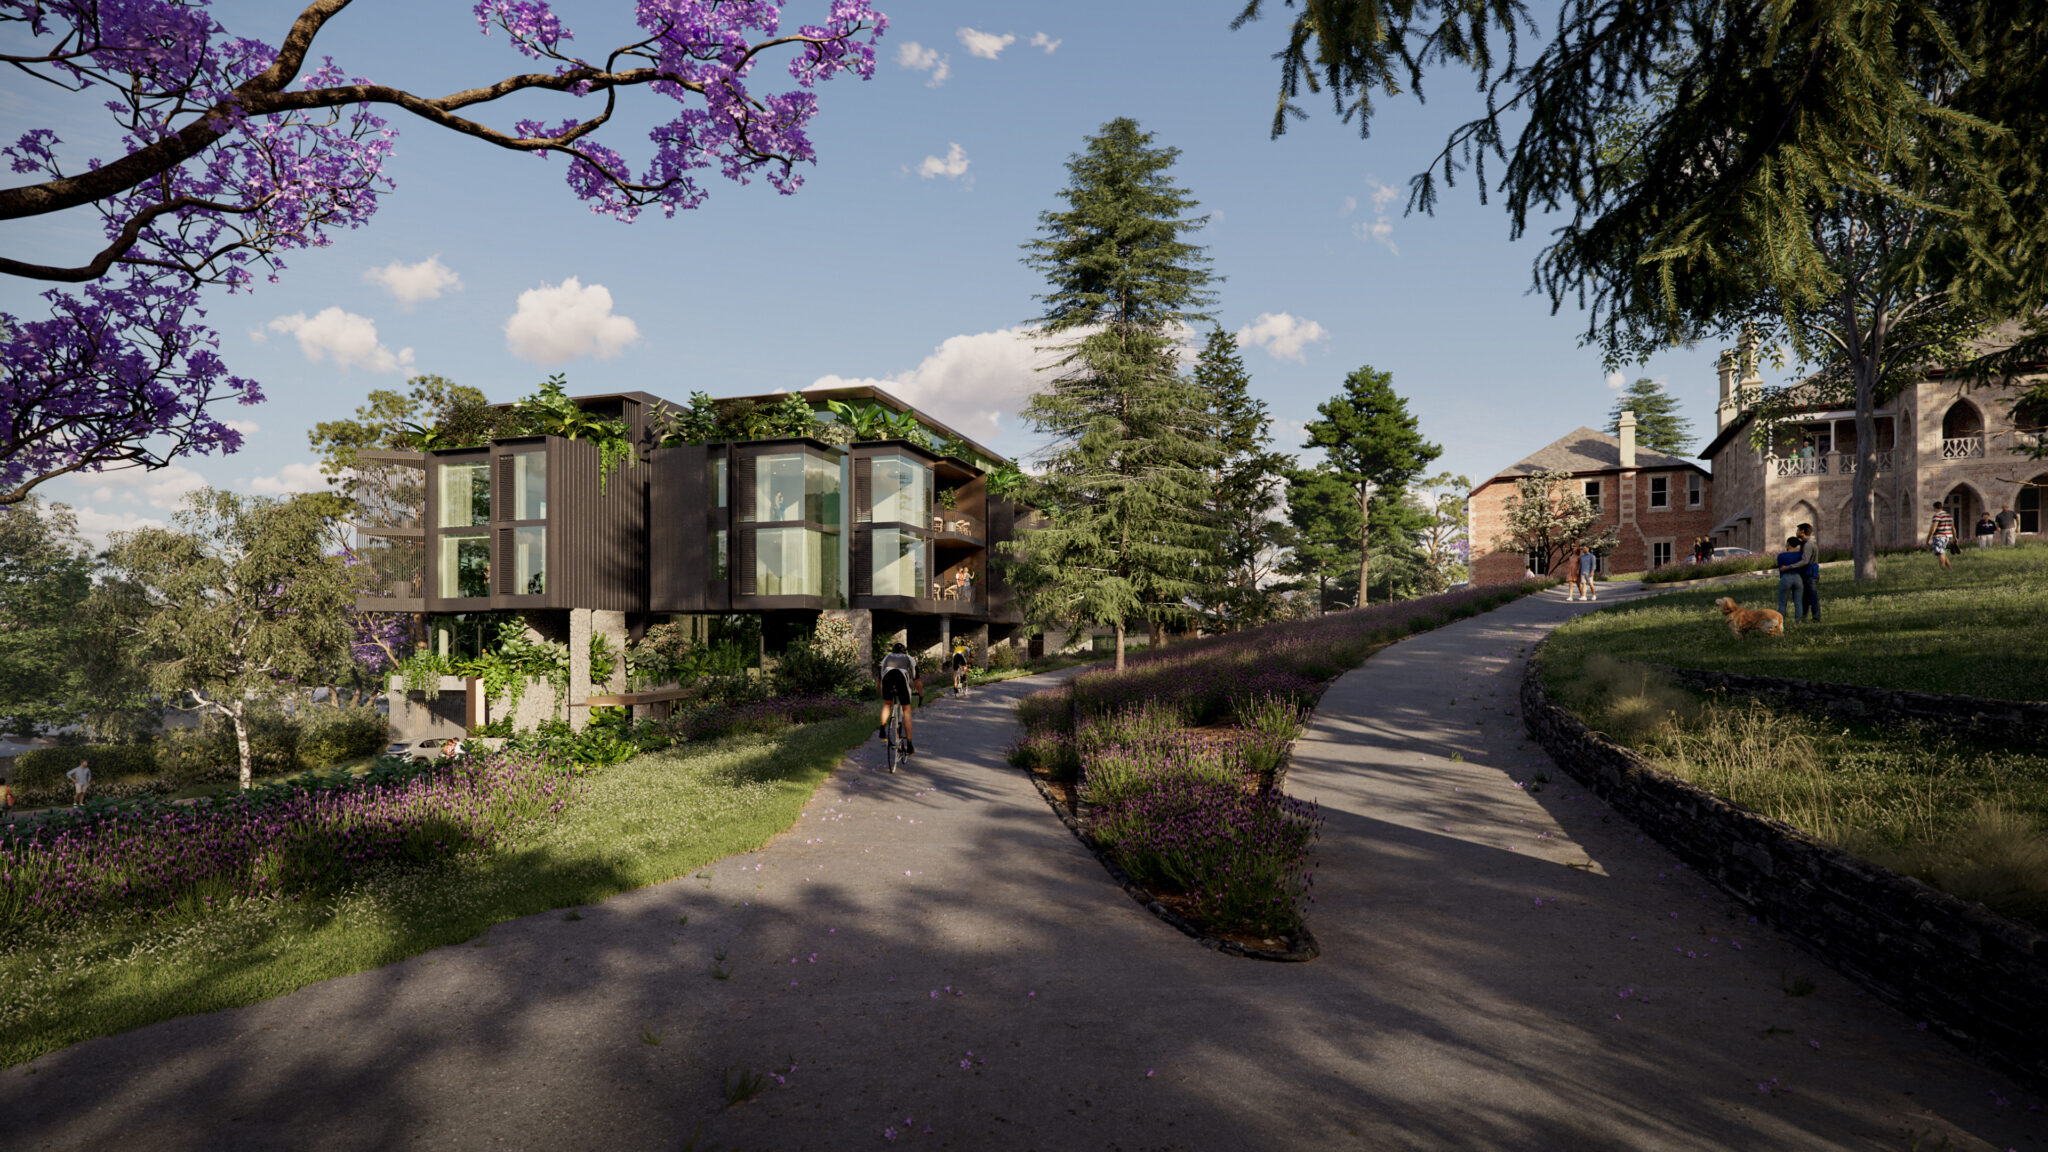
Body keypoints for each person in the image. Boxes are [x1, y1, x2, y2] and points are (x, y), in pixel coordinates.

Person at [877, 642, 922, 756]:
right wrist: (921, 695)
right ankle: (910, 745)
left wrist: (883, 695)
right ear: (904, 651)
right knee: (906, 710)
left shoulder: (886, 658)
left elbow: (879, 680)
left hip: (887, 679)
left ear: (893, 651)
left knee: (887, 704)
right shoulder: (909, 658)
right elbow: (917, 681)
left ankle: (882, 727)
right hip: (900, 679)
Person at [1775, 535, 1809, 622]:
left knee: (1782, 603)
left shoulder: (1781, 555)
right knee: (1798, 602)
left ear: (1788, 544)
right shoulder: (1800, 555)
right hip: (1798, 578)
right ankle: (1798, 621)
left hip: (1786, 577)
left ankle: (1780, 621)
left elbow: (1781, 569)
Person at [1796, 522, 1821, 623]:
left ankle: (1816, 617)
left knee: (1812, 596)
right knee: (1805, 597)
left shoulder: (1807, 544)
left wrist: (1789, 567)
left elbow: (1805, 560)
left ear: (1802, 531)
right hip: (1807, 573)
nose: (1796, 532)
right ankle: (1804, 617)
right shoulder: (1807, 543)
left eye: (1798, 530)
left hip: (1809, 574)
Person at [1926, 501, 1956, 571]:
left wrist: (1928, 539)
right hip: (1947, 536)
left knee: (1940, 553)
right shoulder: (1949, 516)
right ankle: (1950, 569)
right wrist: (1955, 537)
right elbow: (1953, 528)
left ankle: (1942, 569)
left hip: (1939, 536)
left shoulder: (1937, 516)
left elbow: (1933, 528)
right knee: (1942, 552)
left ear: (1934, 507)